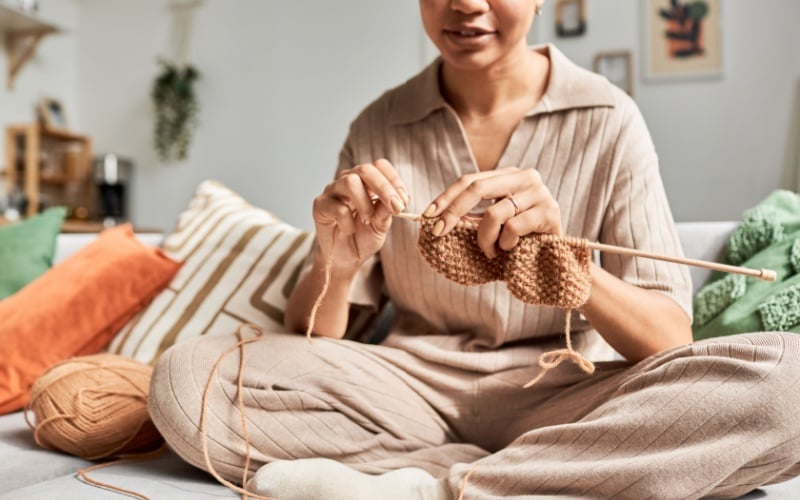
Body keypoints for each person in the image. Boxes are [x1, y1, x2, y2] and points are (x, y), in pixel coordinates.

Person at [148, 0, 800, 498]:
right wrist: (337, 261)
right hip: (412, 390)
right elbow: (316, 338)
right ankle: (543, 477)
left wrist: (575, 273)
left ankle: (439, 487)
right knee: (186, 382)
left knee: (789, 385)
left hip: (568, 393)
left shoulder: (608, 119)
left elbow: (669, 341)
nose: (466, 3)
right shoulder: (380, 123)